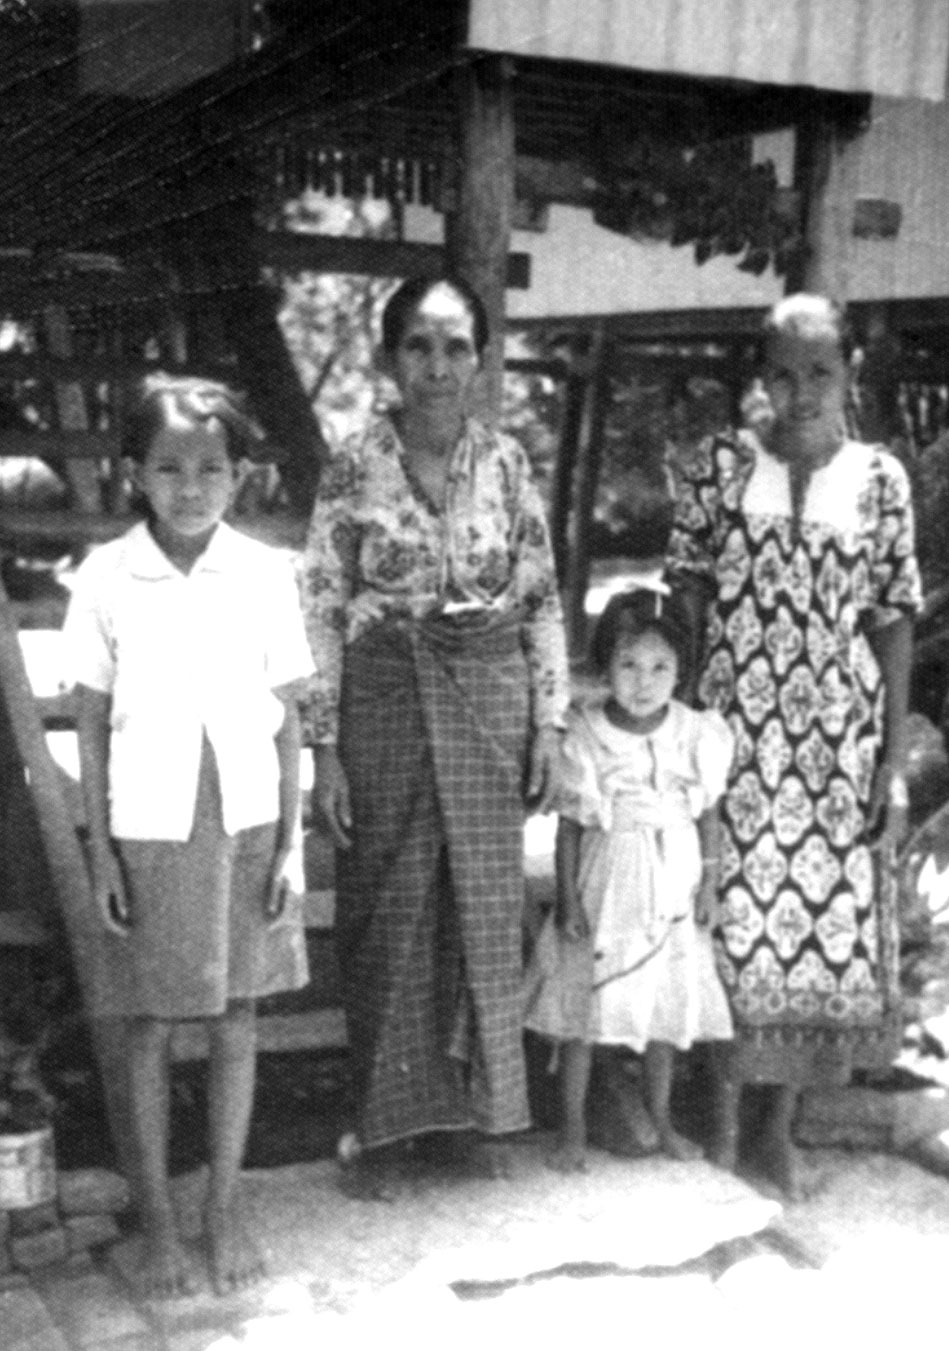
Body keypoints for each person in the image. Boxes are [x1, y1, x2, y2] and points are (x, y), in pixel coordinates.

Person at [301, 275, 570, 1198]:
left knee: (479, 914)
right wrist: (324, 747)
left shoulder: (505, 463)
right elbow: (321, 606)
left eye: (457, 347)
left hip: (489, 706)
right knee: (389, 914)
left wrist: (549, 723)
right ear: (389, 357)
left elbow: (539, 598)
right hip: (384, 707)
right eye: (419, 345)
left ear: (482, 357)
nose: (438, 366)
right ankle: (380, 1131)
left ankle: (465, 1118)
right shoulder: (352, 464)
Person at [666, 294, 922, 1196]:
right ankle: (719, 1124)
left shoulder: (879, 480)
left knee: (808, 944)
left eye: (821, 370)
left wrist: (888, 763)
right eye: (783, 371)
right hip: (732, 740)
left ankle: (774, 1131)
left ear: (849, 371)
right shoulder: (719, 468)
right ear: (760, 378)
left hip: (833, 750)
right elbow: (686, 602)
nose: (801, 389)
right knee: (727, 929)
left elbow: (890, 622)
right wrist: (678, 734)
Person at [64, 375, 313, 1297]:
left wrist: (289, 844)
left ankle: (223, 1207)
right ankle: (160, 1225)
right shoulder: (106, 575)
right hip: (152, 829)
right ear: (136, 473)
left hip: (246, 819)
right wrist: (100, 852)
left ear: (240, 476)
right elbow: (89, 723)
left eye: (211, 468)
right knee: (148, 1026)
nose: (190, 486)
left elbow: (288, 724)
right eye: (168, 467)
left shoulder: (262, 572)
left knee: (237, 1013)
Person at [524, 584, 734, 1171]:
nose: (644, 681)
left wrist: (711, 884)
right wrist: (566, 899)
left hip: (675, 878)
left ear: (681, 672)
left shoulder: (696, 732)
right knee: (585, 1013)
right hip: (607, 877)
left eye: (661, 667)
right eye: (629, 665)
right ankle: (570, 1128)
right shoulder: (587, 733)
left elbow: (710, 812)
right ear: (604, 667)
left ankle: (661, 1118)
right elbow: (569, 826)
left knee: (666, 1006)